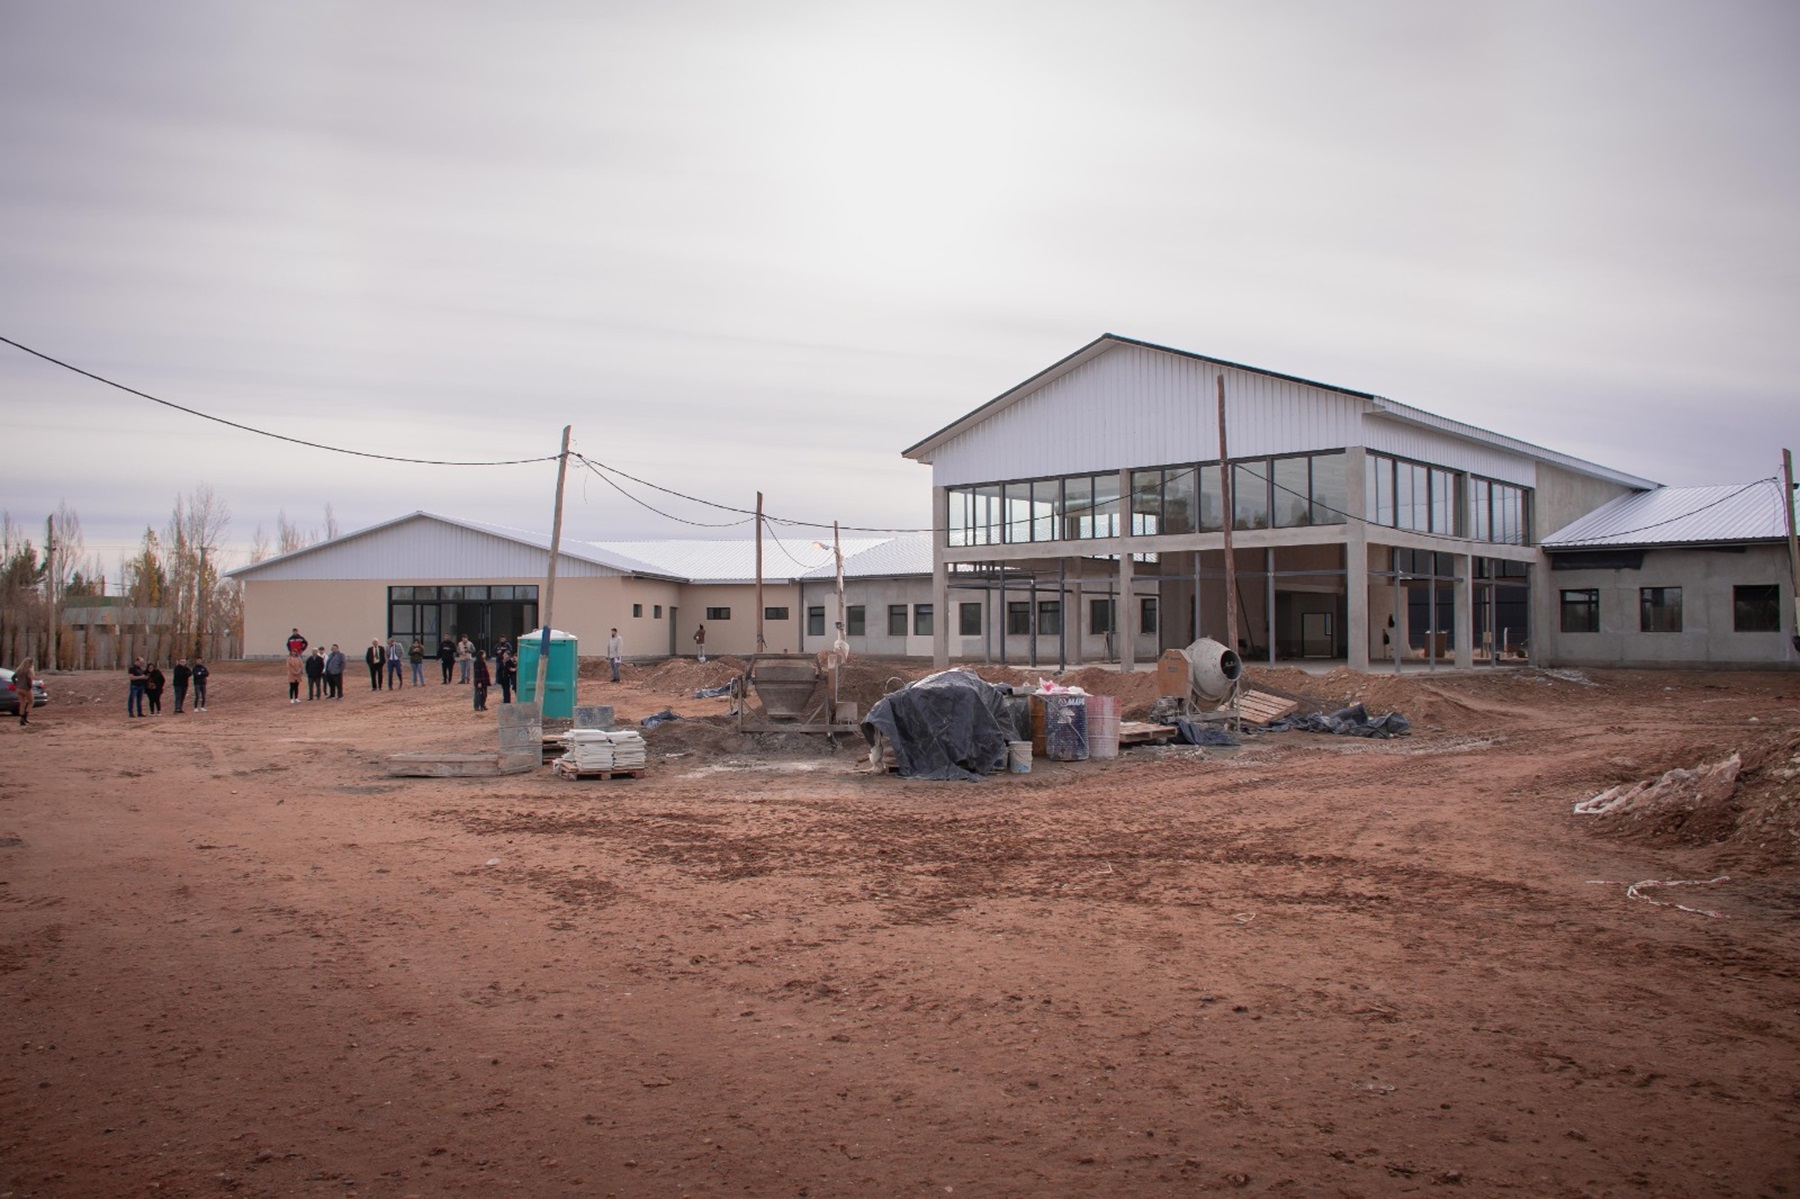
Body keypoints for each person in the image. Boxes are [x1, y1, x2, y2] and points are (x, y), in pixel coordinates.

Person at [13, 657, 33, 726]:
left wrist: (16, 684)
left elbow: (13, 677)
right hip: (26, 688)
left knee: (22, 703)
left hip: (18, 688)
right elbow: (29, 679)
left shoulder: (19, 670)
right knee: (31, 702)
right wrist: (30, 686)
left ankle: (21, 718)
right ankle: (25, 717)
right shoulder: (28, 670)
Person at [495, 639, 515, 704]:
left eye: (506, 655)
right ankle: (505, 700)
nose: (505, 656)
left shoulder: (510, 662)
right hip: (503, 678)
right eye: (504, 655)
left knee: (507, 690)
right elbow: (499, 670)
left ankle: (507, 700)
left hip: (508, 678)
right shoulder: (502, 662)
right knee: (504, 690)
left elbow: (512, 669)